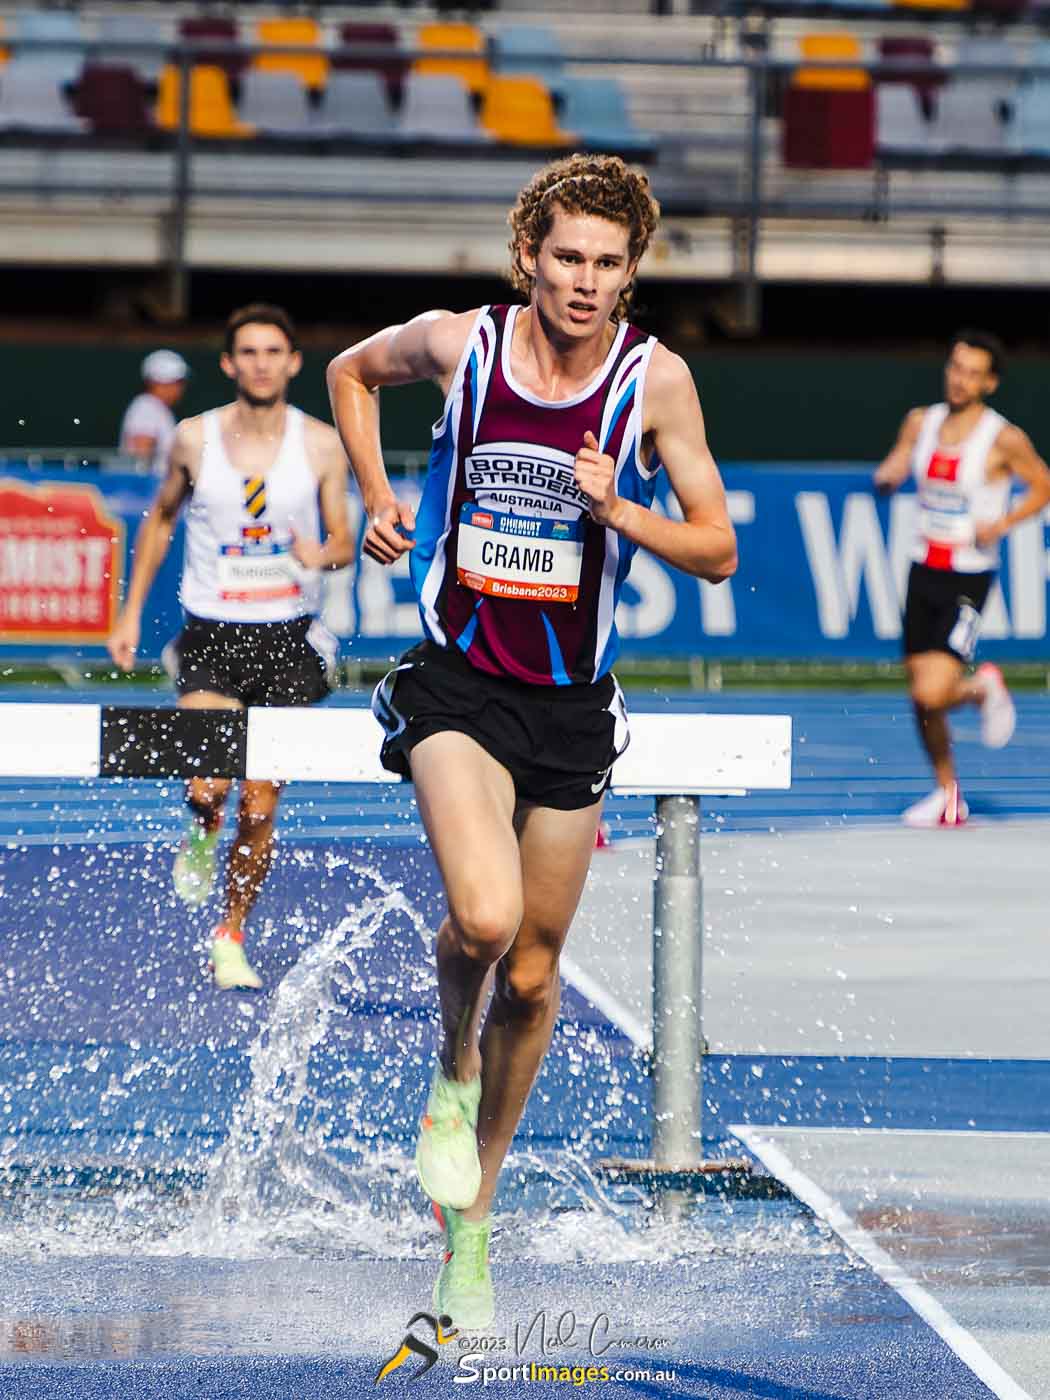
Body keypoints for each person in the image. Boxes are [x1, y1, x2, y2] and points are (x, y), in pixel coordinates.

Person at [327, 154, 737, 1327]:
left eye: (609, 264)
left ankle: (473, 1224)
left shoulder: (655, 383)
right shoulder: (465, 345)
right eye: (568, 257)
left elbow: (718, 547)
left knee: (542, 974)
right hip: (459, 684)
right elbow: (352, 375)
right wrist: (375, 491)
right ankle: (450, 1073)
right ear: (529, 255)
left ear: (630, 274)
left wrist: (622, 510)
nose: (586, 281)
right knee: (487, 919)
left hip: (571, 706)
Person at [107, 304, 353, 989]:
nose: (261, 363)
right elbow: (159, 521)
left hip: (288, 639)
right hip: (212, 634)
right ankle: (201, 828)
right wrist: (129, 615)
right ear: (228, 362)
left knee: (260, 806)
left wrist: (322, 553)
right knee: (208, 785)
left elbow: (341, 540)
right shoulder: (192, 438)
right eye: (248, 351)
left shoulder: (323, 445)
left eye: (274, 351)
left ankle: (231, 933)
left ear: (294, 361)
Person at [874, 330, 1050, 827]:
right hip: (921, 565)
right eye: (955, 367)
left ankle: (983, 687)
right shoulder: (921, 421)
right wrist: (887, 475)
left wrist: (1004, 522)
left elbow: (1043, 485)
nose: (960, 379)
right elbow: (898, 461)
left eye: (972, 373)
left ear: (989, 383)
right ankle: (948, 793)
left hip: (968, 575)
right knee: (919, 694)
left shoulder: (1003, 437)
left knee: (935, 692)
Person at [119, 349, 190, 477]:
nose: (179, 388)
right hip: (147, 491)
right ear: (154, 382)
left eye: (179, 382)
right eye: (174, 382)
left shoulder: (157, 408)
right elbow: (141, 456)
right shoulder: (146, 407)